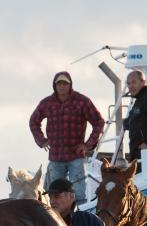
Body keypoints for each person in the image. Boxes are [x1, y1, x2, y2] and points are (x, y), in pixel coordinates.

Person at [29, 71, 104, 205]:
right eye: (59, 83)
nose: (62, 86)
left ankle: (79, 216)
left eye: (65, 83)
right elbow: (33, 121)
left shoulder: (82, 101)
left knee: (79, 194)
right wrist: (42, 141)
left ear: (70, 85)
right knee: (55, 193)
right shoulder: (47, 103)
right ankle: (56, 219)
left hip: (76, 155)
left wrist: (88, 145)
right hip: (56, 156)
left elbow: (99, 121)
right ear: (54, 85)